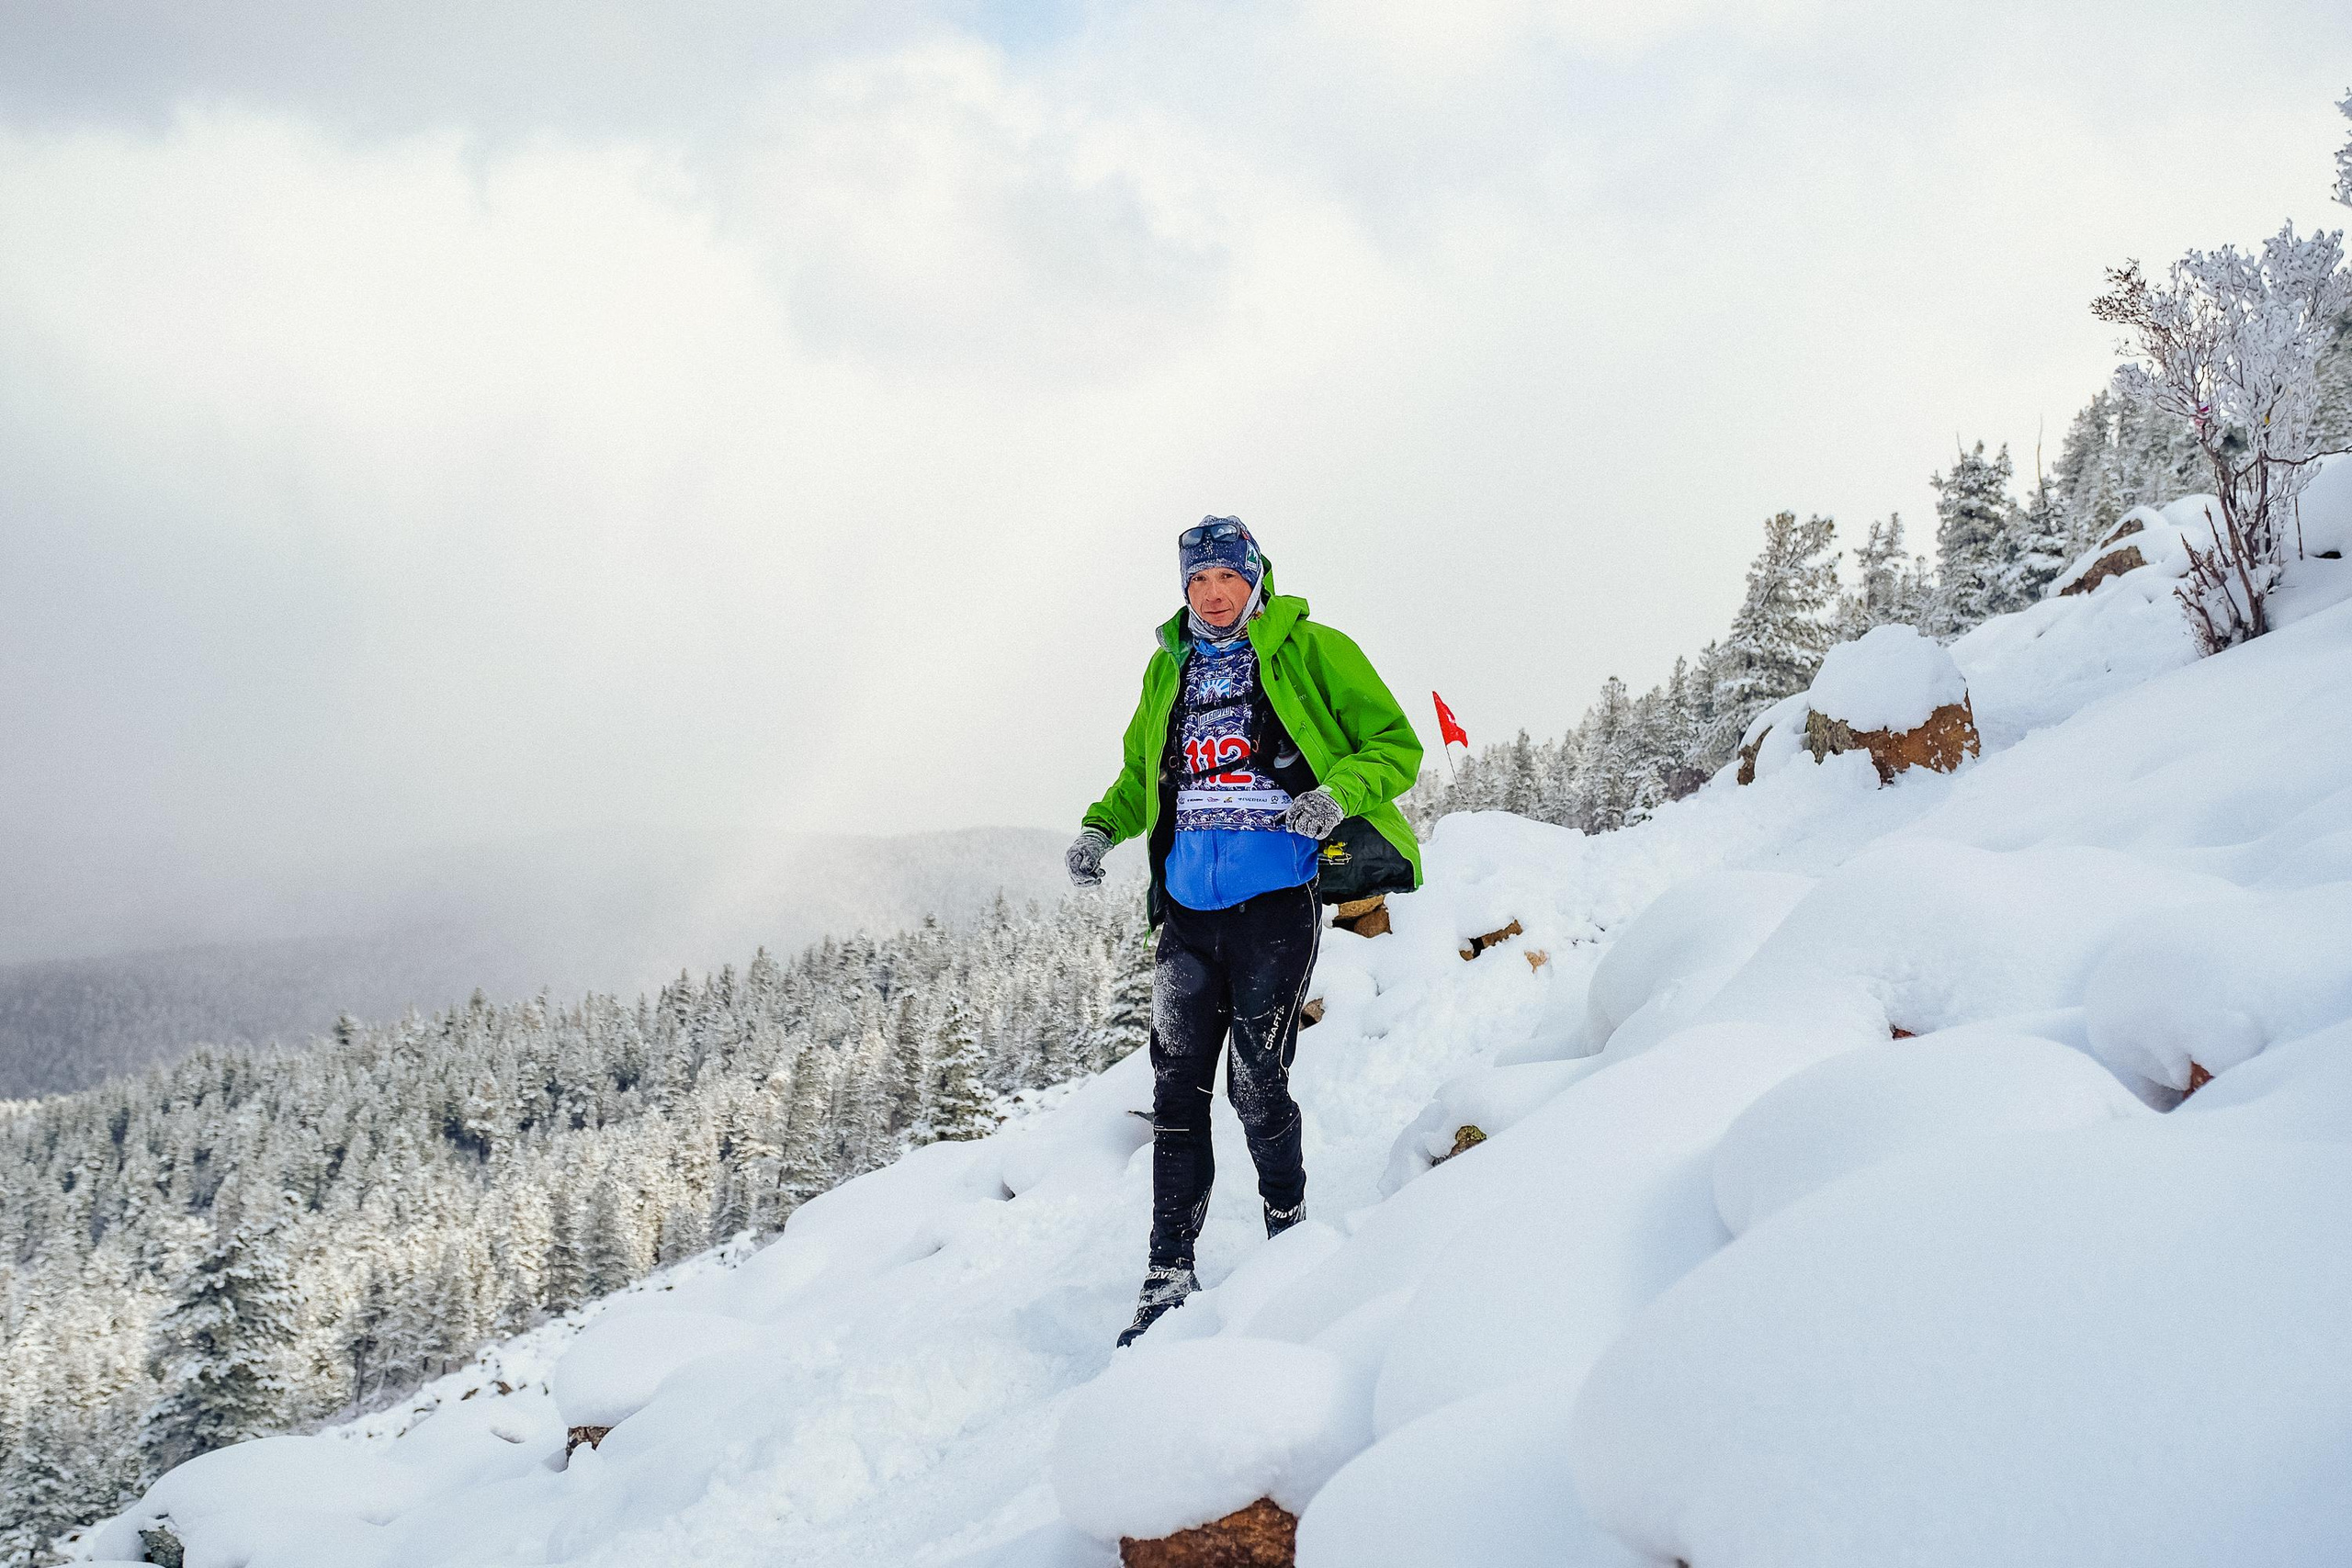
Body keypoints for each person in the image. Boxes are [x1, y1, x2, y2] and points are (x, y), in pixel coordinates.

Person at [1068, 516, 1422, 1348]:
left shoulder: (1311, 648)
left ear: (1255, 577)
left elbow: (1394, 745)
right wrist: (1098, 828)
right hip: (1188, 913)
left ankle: (1288, 1228)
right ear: (1184, 591)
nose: (1214, 592)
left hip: (1274, 904)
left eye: (1228, 575)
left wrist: (1337, 793)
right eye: (1198, 580)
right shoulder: (1170, 670)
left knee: (1257, 1081)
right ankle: (1167, 1271)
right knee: (1176, 1090)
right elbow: (1138, 775)